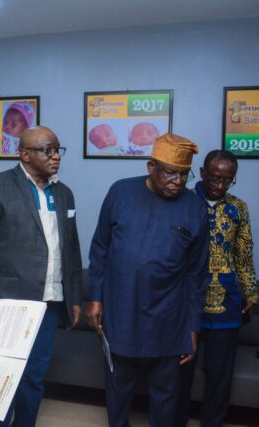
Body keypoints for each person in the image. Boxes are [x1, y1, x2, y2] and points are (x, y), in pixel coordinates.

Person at [86, 133, 209, 427]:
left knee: (165, 394)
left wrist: (193, 326)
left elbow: (197, 274)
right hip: (122, 309)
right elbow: (100, 247)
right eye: (171, 173)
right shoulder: (120, 192)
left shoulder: (195, 207)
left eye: (184, 175)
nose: (178, 182)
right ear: (151, 167)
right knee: (118, 387)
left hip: (169, 316)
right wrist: (95, 296)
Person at [0, 126, 83, 427]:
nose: (56, 156)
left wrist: (74, 297)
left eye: (58, 149)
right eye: (48, 150)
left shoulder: (64, 193)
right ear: (25, 154)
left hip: (50, 302)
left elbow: (71, 249)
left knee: (34, 376)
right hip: (7, 301)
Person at [175, 150, 258, 427]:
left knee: (219, 373)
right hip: (185, 302)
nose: (220, 185)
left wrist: (250, 291)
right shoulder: (182, 202)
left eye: (227, 180)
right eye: (214, 178)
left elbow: (243, 253)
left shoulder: (239, 207)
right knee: (180, 369)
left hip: (226, 303)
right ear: (202, 173)